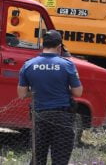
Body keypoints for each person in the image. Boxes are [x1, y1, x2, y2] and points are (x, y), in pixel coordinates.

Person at [17, 30, 83, 165]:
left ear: (43, 45)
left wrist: (36, 90)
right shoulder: (67, 65)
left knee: (38, 158)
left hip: (40, 116)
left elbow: (22, 94)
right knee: (60, 159)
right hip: (62, 118)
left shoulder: (29, 65)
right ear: (59, 47)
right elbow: (78, 92)